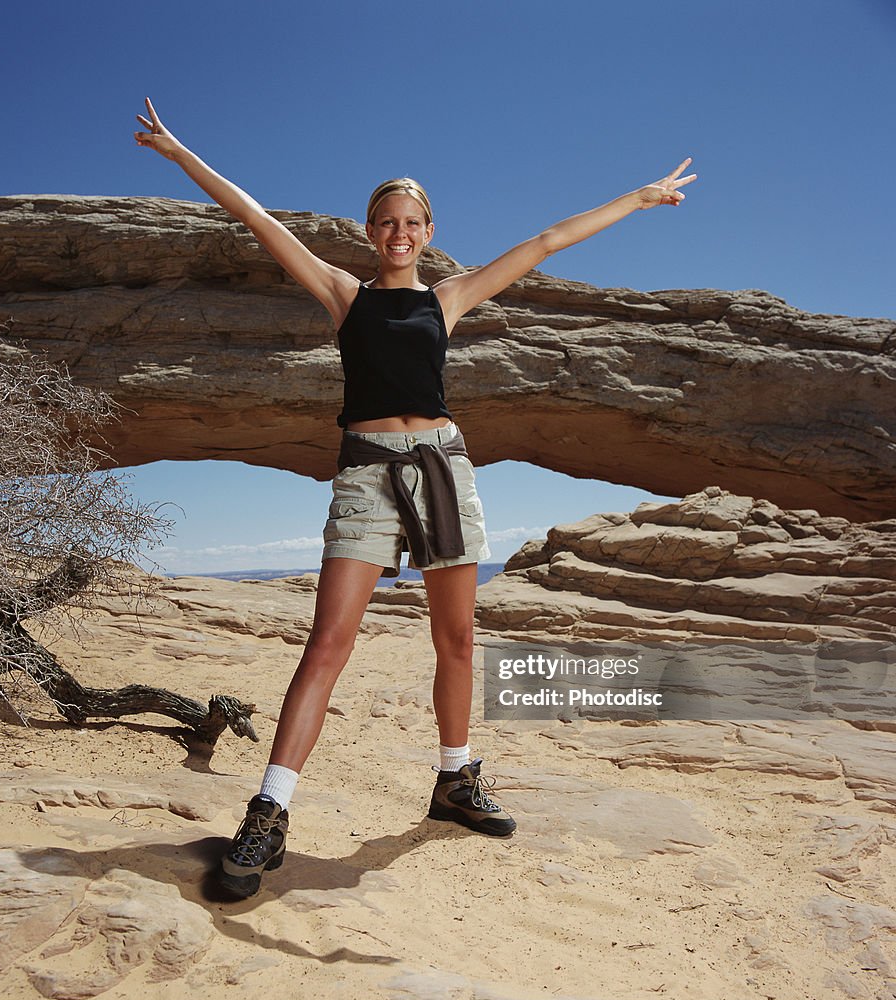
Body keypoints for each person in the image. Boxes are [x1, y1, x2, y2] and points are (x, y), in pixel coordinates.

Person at [134, 98, 697, 898]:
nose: (399, 233)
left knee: (457, 640)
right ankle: (269, 810)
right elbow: (254, 216)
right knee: (327, 645)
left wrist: (638, 200)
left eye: (412, 222)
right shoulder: (343, 295)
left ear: (428, 232)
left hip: (441, 466)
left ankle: (454, 781)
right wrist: (180, 152)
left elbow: (544, 243)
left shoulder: (449, 299)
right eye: (386, 222)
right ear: (371, 233)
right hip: (365, 473)